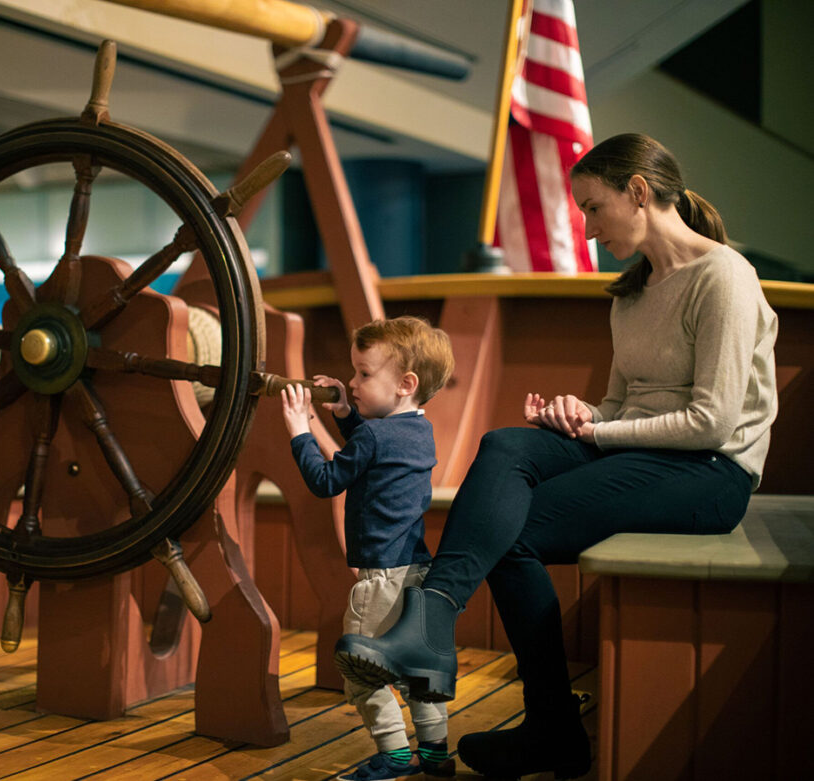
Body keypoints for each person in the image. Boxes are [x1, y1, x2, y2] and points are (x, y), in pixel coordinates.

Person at [333, 133, 779, 780]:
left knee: (513, 532)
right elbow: (622, 405)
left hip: (711, 473)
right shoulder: (632, 294)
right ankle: (435, 624)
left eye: (594, 208)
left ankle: (546, 725)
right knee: (505, 443)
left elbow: (712, 423)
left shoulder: (724, 279)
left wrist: (598, 435)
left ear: (638, 192)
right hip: (651, 451)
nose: (590, 230)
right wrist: (582, 414)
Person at [281, 316, 456, 781]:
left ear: (405, 383)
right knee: (419, 669)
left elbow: (326, 481)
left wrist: (301, 429)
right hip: (417, 570)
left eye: (363, 374)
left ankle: (395, 754)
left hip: (379, 580)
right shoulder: (419, 431)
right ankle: (435, 752)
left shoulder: (375, 437)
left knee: (361, 671)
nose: (352, 382)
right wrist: (345, 410)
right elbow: (370, 444)